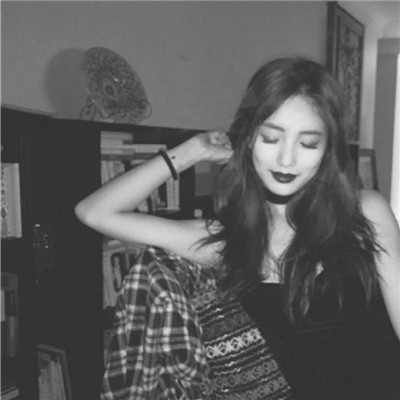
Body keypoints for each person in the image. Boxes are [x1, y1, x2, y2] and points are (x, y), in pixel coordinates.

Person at [75, 57, 400, 399]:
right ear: (248, 138)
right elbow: (94, 212)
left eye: (307, 143)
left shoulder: (365, 213)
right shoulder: (222, 242)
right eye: (271, 138)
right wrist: (191, 151)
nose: (286, 160)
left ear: (327, 151)